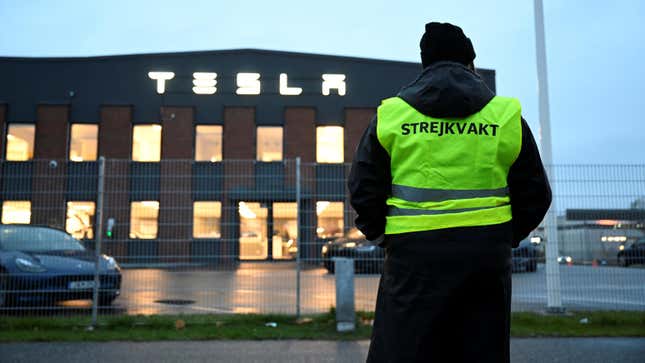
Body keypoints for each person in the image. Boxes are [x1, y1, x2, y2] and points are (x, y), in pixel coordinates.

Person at [348, 22, 552, 363]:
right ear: (470, 62)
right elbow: (536, 193)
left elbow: (363, 188)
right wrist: (503, 236)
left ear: (424, 63)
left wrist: (384, 236)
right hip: (484, 257)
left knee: (406, 350)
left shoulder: (392, 115)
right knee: (479, 350)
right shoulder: (505, 116)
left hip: (412, 257)